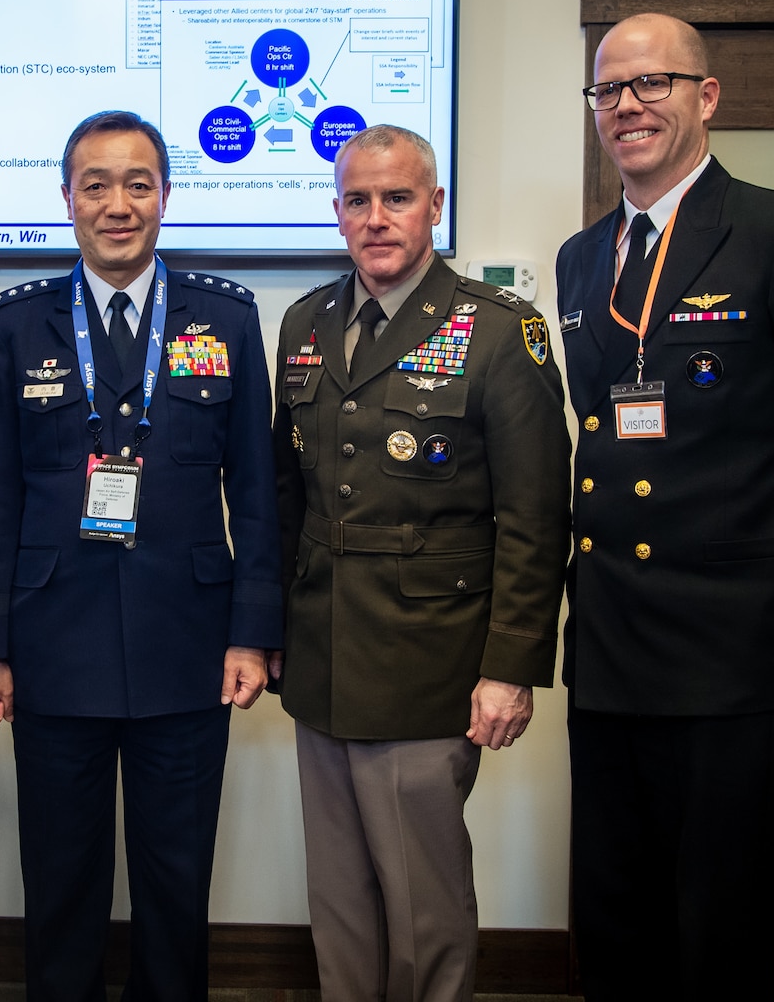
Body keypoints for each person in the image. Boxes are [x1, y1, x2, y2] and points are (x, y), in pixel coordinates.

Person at [557, 13, 774, 998]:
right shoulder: (584, 259)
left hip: (728, 645)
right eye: (608, 90)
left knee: (720, 918)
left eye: (652, 83)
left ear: (706, 96)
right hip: (612, 642)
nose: (627, 105)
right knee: (615, 912)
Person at [0, 110, 282, 1001]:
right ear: (66, 199)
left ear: (166, 197)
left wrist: (251, 634)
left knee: (176, 883)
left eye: (137, 184)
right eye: (95, 185)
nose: (117, 204)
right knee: (61, 882)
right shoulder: (14, 325)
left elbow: (254, 494)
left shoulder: (226, 315)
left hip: (188, 642)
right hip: (51, 641)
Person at [272, 124, 571, 1002]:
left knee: (423, 905)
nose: (377, 219)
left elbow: (534, 516)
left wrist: (510, 668)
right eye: (358, 201)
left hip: (431, 663)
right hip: (323, 661)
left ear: (434, 206)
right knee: (341, 903)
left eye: (397, 198)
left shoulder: (496, 330)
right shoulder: (305, 323)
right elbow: (289, 498)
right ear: (337, 213)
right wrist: (276, 632)